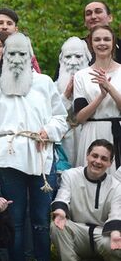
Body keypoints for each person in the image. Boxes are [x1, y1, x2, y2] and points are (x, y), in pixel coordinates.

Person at [0, 33, 68, 261]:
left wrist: (47, 131)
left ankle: (42, 260)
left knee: (41, 217)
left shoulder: (44, 83)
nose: (17, 58)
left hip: (41, 156)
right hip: (8, 158)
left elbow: (61, 118)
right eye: (12, 53)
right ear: (4, 56)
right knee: (15, 218)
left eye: (23, 53)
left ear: (31, 55)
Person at [50, 139, 121, 261]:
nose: (98, 161)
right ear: (87, 155)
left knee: (118, 241)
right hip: (76, 232)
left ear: (110, 163)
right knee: (57, 226)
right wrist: (60, 212)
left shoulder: (116, 186)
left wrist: (115, 234)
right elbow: (62, 196)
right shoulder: (70, 175)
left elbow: (116, 213)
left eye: (104, 159)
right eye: (94, 156)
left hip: (102, 235)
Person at [74, 25, 121, 171]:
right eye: (97, 39)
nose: (102, 43)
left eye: (107, 39)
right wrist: (101, 96)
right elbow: (80, 117)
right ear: (91, 43)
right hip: (91, 132)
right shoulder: (81, 75)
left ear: (113, 43)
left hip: (118, 130)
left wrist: (109, 87)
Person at [0, 8, 40, 78]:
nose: (4, 27)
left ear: (16, 29)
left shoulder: (26, 53)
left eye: (9, 23)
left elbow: (37, 81)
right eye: (0, 23)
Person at [55, 37, 91, 165]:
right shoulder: (53, 88)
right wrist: (65, 96)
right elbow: (50, 117)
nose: (73, 62)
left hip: (88, 140)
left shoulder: (96, 87)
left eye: (78, 56)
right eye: (68, 57)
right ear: (61, 59)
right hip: (63, 148)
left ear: (87, 58)